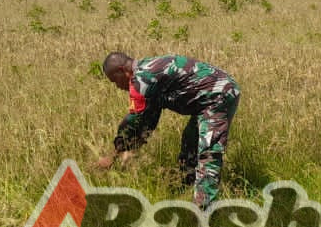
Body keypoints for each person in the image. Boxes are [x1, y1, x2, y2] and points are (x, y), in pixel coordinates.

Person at [97, 53, 240, 209]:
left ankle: (202, 211)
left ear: (122, 70)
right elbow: (148, 121)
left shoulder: (142, 80)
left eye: (115, 80)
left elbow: (133, 122)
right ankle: (185, 184)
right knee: (190, 140)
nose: (117, 86)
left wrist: (112, 155)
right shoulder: (146, 74)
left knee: (209, 150)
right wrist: (127, 149)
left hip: (218, 95)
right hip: (209, 96)